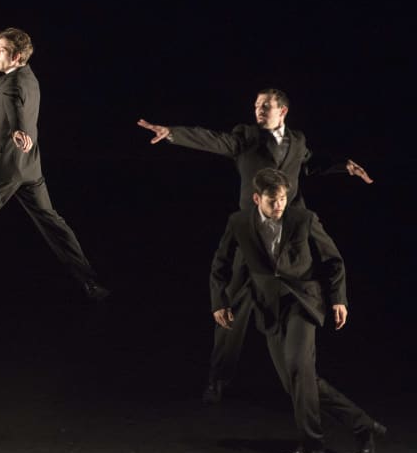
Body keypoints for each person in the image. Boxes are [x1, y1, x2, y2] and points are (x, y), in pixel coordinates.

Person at [137, 89, 373, 403]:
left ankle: (299, 384)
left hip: (286, 239)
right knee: (233, 310)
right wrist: (173, 134)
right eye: (256, 106)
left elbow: (309, 163)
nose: (258, 110)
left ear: (283, 111)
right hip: (251, 237)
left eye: (265, 106)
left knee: (290, 310)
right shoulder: (246, 137)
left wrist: (343, 166)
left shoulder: (298, 141)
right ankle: (217, 380)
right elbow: (214, 140)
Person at [210, 168, 385, 453]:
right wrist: (220, 302)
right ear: (256, 198)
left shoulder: (304, 219)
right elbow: (220, 263)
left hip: (302, 303)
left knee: (297, 370)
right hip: (268, 307)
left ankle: (311, 446)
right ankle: (363, 426)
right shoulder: (239, 222)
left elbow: (333, 259)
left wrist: (338, 299)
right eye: (272, 199)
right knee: (299, 382)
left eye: (283, 198)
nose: (279, 205)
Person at [0, 27, 109, 306]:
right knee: (52, 223)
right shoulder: (27, 78)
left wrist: (19, 133)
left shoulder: (12, 86)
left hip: (2, 168)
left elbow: (15, 115)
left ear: (15, 56)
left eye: (0, 50)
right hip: (28, 167)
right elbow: (2, 112)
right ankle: (91, 282)